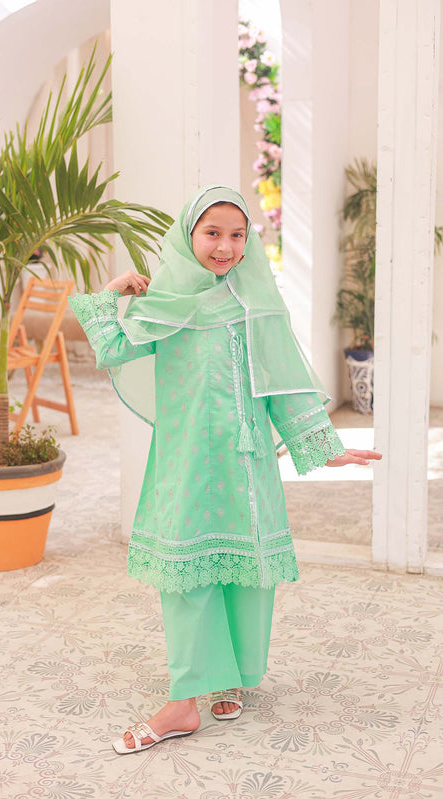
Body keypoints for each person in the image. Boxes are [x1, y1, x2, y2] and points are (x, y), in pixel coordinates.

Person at [69, 185, 381, 755]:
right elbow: (113, 350)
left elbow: (283, 381)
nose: (226, 246)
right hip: (186, 459)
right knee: (185, 577)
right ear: (189, 236)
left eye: (238, 235)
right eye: (213, 232)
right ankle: (184, 702)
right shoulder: (165, 300)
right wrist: (112, 292)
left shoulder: (255, 301)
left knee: (249, 572)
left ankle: (231, 674)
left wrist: (321, 443)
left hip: (248, 457)